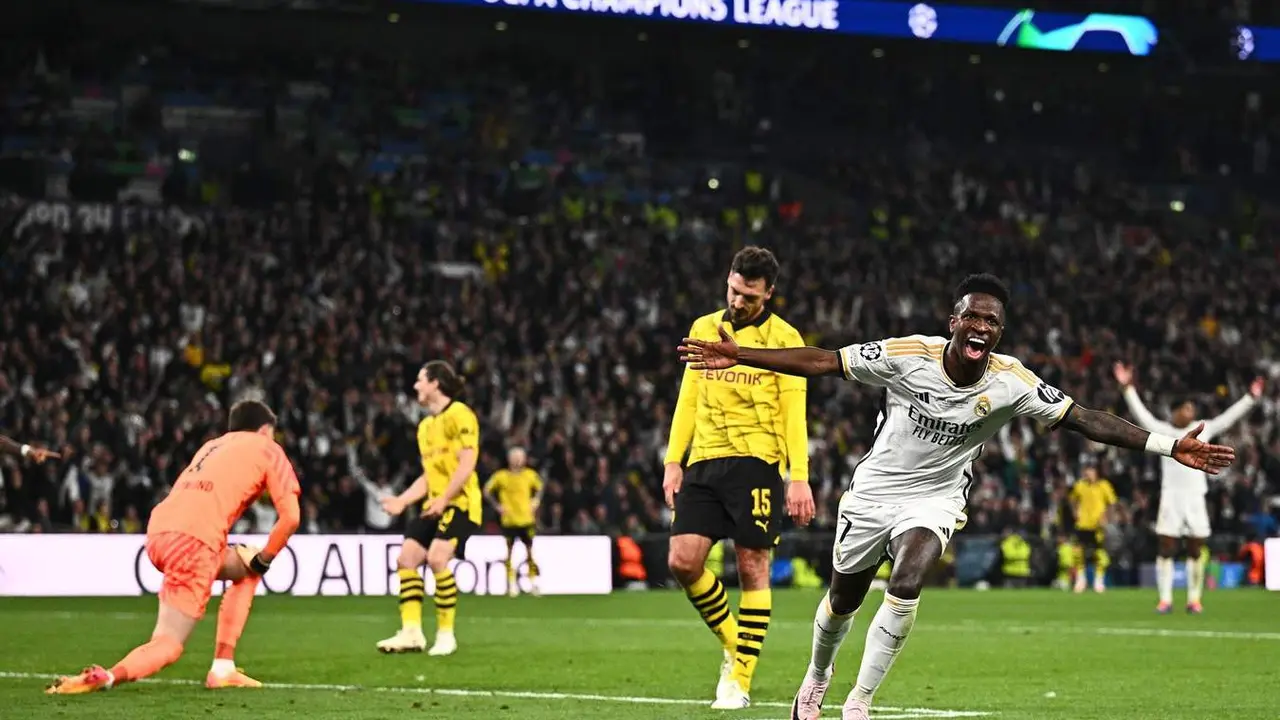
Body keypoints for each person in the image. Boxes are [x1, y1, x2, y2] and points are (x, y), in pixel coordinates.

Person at [677, 273, 1236, 720]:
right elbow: (825, 361)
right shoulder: (907, 354)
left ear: (998, 334)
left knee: (908, 578)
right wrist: (743, 356)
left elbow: (1085, 418)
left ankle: (860, 702)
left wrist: (1168, 446)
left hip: (936, 500)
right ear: (953, 322)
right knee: (843, 600)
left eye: (991, 321)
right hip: (874, 493)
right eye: (972, 314)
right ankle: (817, 677)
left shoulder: (1010, 381)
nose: (981, 325)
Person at [45, 400, 302, 694]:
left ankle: (224, 667)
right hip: (195, 544)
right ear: (264, 429)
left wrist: (256, 562)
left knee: (246, 566)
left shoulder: (212, 446)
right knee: (168, 644)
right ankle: (107, 676)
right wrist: (266, 559)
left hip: (159, 533)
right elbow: (291, 518)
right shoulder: (267, 447)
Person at [663, 245, 816, 710]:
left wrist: (798, 477)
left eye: (749, 296)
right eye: (733, 291)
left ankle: (739, 679)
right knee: (682, 562)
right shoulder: (702, 329)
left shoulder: (786, 340)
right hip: (705, 460)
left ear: (768, 294)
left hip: (757, 461)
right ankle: (735, 646)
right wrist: (674, 460)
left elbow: (795, 413)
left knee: (752, 566)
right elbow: (689, 397)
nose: (738, 301)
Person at [1113, 363, 1261, 613]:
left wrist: (1250, 398)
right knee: (1166, 547)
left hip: (1195, 498)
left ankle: (1194, 599)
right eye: (1186, 409)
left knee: (1196, 548)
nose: (1190, 413)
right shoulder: (1165, 432)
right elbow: (1142, 417)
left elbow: (1228, 418)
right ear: (1175, 413)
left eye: (1192, 408)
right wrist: (1127, 388)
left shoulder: (1204, 430)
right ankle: (1165, 599)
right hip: (1171, 497)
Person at [377, 361, 481, 656]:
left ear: (435, 383)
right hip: (434, 503)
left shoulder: (459, 414)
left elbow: (467, 463)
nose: (415, 387)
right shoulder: (425, 427)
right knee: (406, 559)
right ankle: (411, 633)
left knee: (437, 559)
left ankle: (446, 635)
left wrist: (445, 499)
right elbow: (428, 476)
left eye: (420, 380)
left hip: (460, 503)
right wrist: (403, 500)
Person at [483, 446, 544, 597]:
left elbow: (541, 488)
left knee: (530, 552)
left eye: (520, 457)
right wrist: (497, 506)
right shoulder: (501, 476)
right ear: (509, 459)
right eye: (514, 457)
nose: (517, 460)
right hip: (509, 520)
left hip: (526, 519)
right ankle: (511, 584)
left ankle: (532, 582)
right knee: (510, 553)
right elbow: (486, 491)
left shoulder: (530, 475)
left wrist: (536, 500)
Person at [1068, 465, 1116, 593]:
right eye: (1087, 471)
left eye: (1091, 471)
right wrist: (1075, 512)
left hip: (1097, 525)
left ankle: (1098, 581)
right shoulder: (1080, 485)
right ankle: (1081, 580)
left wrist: (1107, 519)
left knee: (1099, 553)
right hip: (1082, 524)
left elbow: (1111, 503)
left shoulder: (1104, 486)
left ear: (1096, 473)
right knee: (1078, 553)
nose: (1088, 474)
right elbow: (1072, 500)